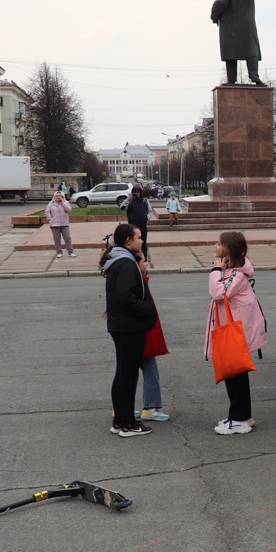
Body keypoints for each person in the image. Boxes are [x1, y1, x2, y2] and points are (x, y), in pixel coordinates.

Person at [206, 231, 267, 435]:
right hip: (233, 330)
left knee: (236, 374)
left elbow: (219, 293)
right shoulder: (232, 270)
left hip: (235, 333)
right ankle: (241, 416)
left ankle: (239, 418)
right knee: (233, 373)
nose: (215, 246)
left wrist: (215, 270)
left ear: (228, 249)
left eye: (219, 243)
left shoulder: (237, 274)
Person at [100, 223, 158, 438]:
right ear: (128, 241)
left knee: (123, 373)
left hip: (121, 325)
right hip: (129, 326)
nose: (142, 241)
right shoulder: (125, 263)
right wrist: (148, 310)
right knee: (128, 374)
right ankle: (127, 424)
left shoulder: (119, 259)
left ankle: (119, 421)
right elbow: (126, 298)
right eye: (139, 237)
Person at [210, 0, 263, 85]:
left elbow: (221, 2)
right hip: (248, 25)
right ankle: (254, 75)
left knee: (231, 51)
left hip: (230, 25)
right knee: (251, 50)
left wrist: (214, 16)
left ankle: (231, 79)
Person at [135, 255, 169, 423]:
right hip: (142, 332)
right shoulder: (139, 282)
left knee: (128, 369)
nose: (147, 263)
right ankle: (151, 407)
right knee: (150, 368)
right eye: (143, 261)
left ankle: (123, 405)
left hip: (134, 331)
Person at [121, 186, 154, 261]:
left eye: (137, 192)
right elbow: (122, 207)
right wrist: (127, 199)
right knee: (132, 242)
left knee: (143, 242)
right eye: (134, 192)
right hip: (132, 225)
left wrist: (146, 218)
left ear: (140, 193)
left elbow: (150, 210)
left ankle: (144, 258)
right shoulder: (130, 201)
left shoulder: (145, 201)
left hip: (142, 224)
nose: (136, 194)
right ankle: (133, 257)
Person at [46, 191, 75, 259]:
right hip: (54, 224)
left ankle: (70, 252)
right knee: (57, 239)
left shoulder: (65, 202)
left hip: (64, 223)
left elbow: (68, 210)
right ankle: (59, 252)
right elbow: (47, 211)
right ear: (54, 197)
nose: (58, 197)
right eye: (56, 196)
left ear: (62, 196)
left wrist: (62, 203)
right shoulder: (51, 203)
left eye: (60, 196)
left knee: (67, 238)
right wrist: (50, 219)